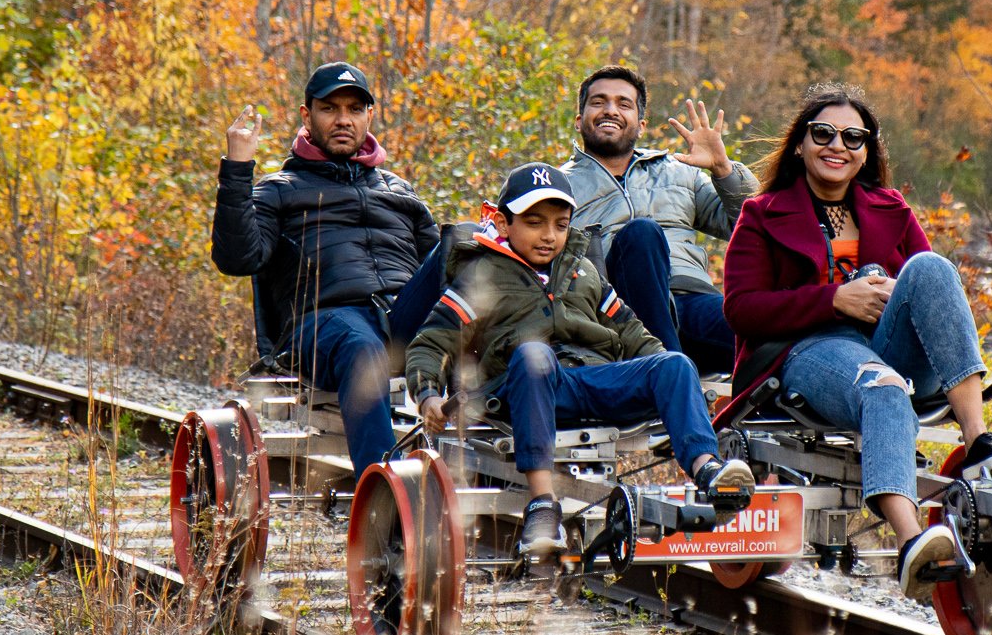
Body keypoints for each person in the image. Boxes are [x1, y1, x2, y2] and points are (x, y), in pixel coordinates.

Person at [721, 83, 992, 602]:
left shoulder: (889, 205)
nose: (837, 145)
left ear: (868, 150)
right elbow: (740, 308)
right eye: (823, 133)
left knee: (932, 267)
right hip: (810, 351)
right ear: (800, 143)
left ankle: (977, 438)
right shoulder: (762, 213)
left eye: (853, 137)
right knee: (884, 387)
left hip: (885, 342)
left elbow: (930, 293)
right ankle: (913, 541)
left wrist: (892, 292)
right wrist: (834, 300)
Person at [405, 163, 755, 561]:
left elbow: (633, 333)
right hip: (525, 387)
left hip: (591, 381)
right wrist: (428, 393)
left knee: (674, 364)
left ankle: (708, 469)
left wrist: (678, 382)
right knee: (534, 355)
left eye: (560, 224)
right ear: (503, 223)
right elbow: (430, 342)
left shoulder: (583, 271)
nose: (549, 235)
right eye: (534, 222)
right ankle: (542, 504)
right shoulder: (481, 276)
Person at [212, 61, 445, 476]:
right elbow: (237, 259)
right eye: (329, 108)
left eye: (355, 109)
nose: (343, 119)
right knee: (361, 346)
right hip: (325, 325)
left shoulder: (399, 191)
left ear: (369, 116)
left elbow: (441, 270)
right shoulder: (278, 191)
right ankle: (385, 492)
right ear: (307, 116)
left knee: (463, 242)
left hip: (401, 316)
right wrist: (237, 169)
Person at [562, 65, 754, 375]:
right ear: (578, 119)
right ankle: (669, 375)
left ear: (640, 124)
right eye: (598, 102)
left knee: (769, 328)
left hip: (690, 301)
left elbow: (755, 226)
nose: (610, 110)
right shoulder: (557, 187)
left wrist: (723, 169)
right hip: (613, 315)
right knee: (642, 234)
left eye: (623, 104)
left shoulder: (679, 170)